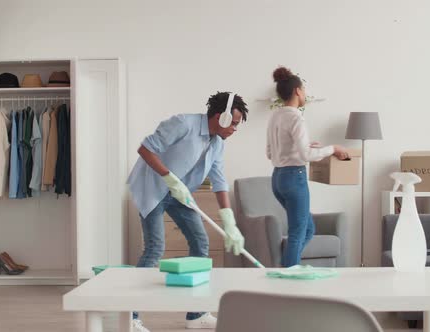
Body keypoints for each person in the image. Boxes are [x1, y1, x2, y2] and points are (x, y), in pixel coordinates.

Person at [127, 91, 249, 331]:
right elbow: (145, 149)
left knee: (200, 243)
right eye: (233, 123)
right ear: (221, 117)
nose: (235, 129)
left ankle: (196, 314)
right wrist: (169, 178)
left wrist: (229, 221)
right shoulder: (184, 124)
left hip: (180, 194)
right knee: (155, 248)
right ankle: (130, 317)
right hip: (152, 188)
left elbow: (219, 180)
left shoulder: (217, 144)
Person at [266, 66, 349, 268]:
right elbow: (307, 156)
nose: (305, 94)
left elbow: (271, 152)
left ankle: (287, 265)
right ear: (297, 91)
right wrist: (333, 148)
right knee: (297, 233)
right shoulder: (296, 117)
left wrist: (298, 148)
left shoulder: (275, 116)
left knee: (308, 229)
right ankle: (288, 278)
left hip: (277, 179)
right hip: (294, 178)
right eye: (304, 89)